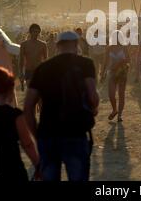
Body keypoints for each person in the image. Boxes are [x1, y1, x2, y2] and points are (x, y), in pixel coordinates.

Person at [24, 31, 99, 181]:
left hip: (48, 133)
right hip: (76, 132)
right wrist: (92, 109)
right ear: (77, 44)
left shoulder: (43, 68)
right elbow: (93, 96)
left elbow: (28, 106)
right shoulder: (85, 64)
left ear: (57, 46)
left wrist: (36, 134)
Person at [102, 31, 130, 122]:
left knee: (121, 94)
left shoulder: (124, 48)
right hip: (112, 73)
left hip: (122, 73)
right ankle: (114, 110)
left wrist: (121, 62)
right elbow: (105, 61)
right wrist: (102, 72)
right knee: (111, 94)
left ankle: (120, 115)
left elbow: (129, 60)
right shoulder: (109, 48)